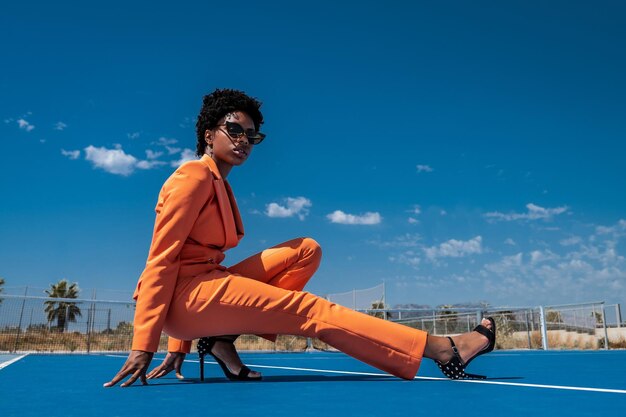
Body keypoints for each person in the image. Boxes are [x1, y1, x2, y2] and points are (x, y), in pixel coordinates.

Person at [104, 88, 496, 388]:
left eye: (251, 136)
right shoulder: (192, 177)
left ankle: (223, 334)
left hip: (207, 285)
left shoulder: (219, 183)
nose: (242, 140)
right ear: (209, 134)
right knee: (310, 310)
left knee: (305, 249)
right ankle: (444, 348)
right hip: (185, 296)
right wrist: (151, 343)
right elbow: (161, 259)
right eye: (234, 130)